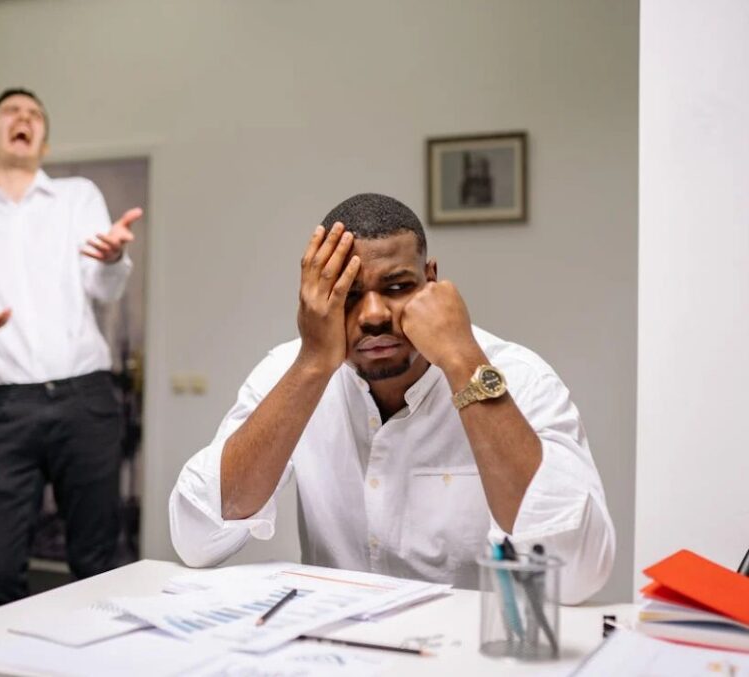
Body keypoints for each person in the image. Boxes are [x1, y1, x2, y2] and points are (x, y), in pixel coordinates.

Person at [169, 193, 615, 604]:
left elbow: (575, 573)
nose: (375, 314)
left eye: (398, 287)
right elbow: (196, 536)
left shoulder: (520, 376)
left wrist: (462, 363)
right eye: (349, 295)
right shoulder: (294, 369)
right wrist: (312, 364)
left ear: (432, 282)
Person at [0, 88, 142, 609]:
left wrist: (114, 259)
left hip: (85, 399)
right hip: (7, 409)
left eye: (34, 115)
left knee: (97, 567)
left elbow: (104, 288)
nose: (23, 119)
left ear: (42, 142)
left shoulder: (78, 197)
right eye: (12, 112)